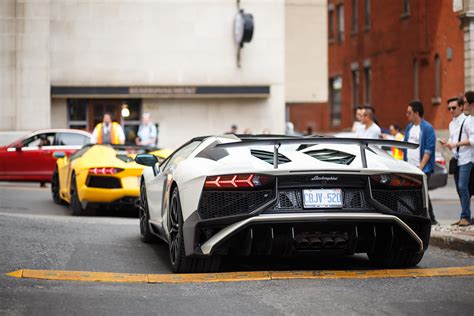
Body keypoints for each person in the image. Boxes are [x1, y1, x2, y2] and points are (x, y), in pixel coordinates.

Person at [439, 97, 471, 226]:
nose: (451, 110)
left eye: (454, 108)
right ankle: (464, 215)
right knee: (459, 188)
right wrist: (447, 144)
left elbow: (472, 139)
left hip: (467, 158)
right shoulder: (451, 124)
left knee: (463, 187)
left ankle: (466, 217)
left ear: (461, 107)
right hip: (457, 159)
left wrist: (455, 144)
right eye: (449, 108)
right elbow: (453, 143)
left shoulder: (468, 121)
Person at [404, 100, 437, 224]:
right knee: (414, 193)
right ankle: (419, 217)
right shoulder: (409, 128)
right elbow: (406, 146)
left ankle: (431, 218)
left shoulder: (427, 128)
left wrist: (421, 167)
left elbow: (429, 149)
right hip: (410, 166)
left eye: (409, 112)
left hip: (423, 167)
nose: (407, 115)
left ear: (416, 113)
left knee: (422, 193)